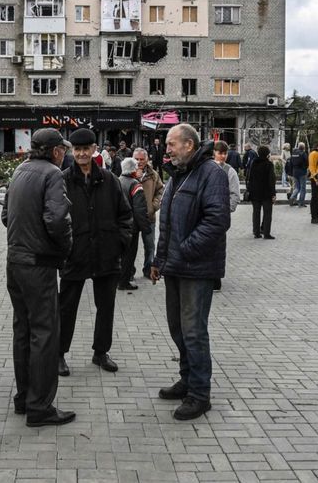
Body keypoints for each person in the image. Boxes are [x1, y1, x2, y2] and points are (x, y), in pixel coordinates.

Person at [150, 124, 231, 420]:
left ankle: (200, 394)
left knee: (194, 331)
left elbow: (217, 220)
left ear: (189, 145)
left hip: (196, 268)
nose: (167, 149)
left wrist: (184, 249)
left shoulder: (212, 173)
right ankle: (186, 380)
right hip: (174, 266)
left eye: (172, 144)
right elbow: (167, 223)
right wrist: (159, 260)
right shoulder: (177, 176)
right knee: (178, 328)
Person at [0, 128, 75, 426]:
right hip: (38, 265)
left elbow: (6, 216)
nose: (65, 155)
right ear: (56, 151)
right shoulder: (53, 174)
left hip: (15, 262)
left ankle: (24, 398)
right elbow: (57, 220)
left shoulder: (20, 170)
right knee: (45, 334)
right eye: (64, 150)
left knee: (23, 330)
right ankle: (40, 407)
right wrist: (65, 248)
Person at [58, 128, 133, 375]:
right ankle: (59, 354)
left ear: (93, 150)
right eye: (77, 150)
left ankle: (101, 352)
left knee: (106, 307)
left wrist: (119, 243)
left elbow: (125, 215)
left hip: (105, 254)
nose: (81, 154)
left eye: (85, 149)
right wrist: (63, 249)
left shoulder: (109, 179)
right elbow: (55, 219)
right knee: (66, 308)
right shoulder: (63, 180)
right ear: (72, 151)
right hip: (75, 254)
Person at [118, 157, 151, 291]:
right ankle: (124, 282)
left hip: (117, 226)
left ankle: (118, 279)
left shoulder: (116, 181)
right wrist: (146, 228)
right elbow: (139, 209)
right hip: (132, 227)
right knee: (129, 255)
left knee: (120, 254)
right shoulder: (135, 185)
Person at [133, 147, 163, 279]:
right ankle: (129, 272)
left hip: (148, 216)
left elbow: (161, 191)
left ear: (147, 160)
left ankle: (147, 270)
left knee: (150, 246)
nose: (139, 162)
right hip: (132, 218)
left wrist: (154, 205)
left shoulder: (153, 174)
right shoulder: (127, 172)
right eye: (136, 159)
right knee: (130, 248)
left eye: (141, 159)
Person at [247, 146, 276, 238]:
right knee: (267, 213)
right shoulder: (269, 164)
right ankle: (266, 233)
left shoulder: (253, 163)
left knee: (256, 212)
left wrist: (249, 189)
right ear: (267, 154)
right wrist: (273, 193)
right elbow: (271, 180)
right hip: (266, 193)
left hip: (255, 192)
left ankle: (256, 232)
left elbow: (249, 178)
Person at [213, 141, 241, 213]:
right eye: (220, 153)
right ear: (214, 153)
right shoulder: (206, 168)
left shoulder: (230, 171)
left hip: (221, 213)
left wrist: (226, 210)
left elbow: (235, 194)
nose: (223, 156)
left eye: (225, 153)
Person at [289, 142, 308, 207]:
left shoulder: (293, 153)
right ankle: (301, 203)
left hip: (294, 172)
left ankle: (292, 197)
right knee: (303, 188)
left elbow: (291, 163)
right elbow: (307, 163)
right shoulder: (303, 154)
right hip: (302, 172)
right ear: (304, 148)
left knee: (297, 187)